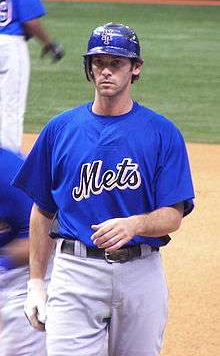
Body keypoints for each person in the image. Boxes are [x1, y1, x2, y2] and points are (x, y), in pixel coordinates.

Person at [12, 22, 195, 356]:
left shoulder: (162, 133)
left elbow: (173, 215)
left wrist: (135, 224)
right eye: (98, 63)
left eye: (116, 63)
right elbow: (41, 209)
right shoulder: (60, 130)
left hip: (141, 273)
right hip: (74, 274)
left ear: (135, 68)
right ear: (89, 67)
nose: (106, 71)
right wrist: (36, 282)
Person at [0, 147, 54, 356]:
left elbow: (39, 237)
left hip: (28, 270)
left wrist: (3, 264)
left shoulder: (9, 172)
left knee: (19, 348)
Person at [0, 0, 64, 153]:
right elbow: (29, 21)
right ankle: (9, 159)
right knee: (11, 107)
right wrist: (50, 44)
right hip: (9, 45)